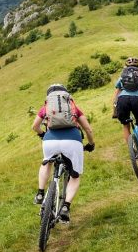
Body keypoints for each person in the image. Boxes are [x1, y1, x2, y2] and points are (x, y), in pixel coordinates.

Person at [32, 83, 95, 222]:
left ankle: (40, 193)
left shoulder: (46, 108)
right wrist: (91, 144)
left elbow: (35, 126)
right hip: (72, 142)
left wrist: (43, 135)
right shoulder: (73, 108)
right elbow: (88, 129)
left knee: (46, 162)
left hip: (50, 142)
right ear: (67, 96)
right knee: (75, 175)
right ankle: (66, 206)